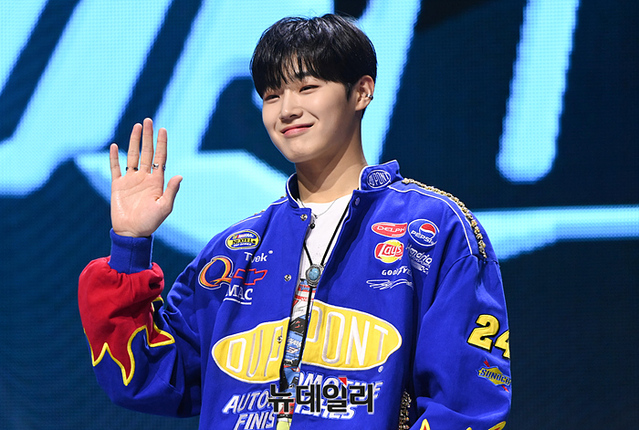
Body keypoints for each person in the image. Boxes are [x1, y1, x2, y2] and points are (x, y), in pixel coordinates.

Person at [79, 14, 511, 430]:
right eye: (271, 95)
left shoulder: (433, 228)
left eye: (307, 87)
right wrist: (130, 245)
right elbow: (148, 377)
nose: (286, 109)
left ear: (362, 92)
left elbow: (468, 405)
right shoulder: (234, 250)